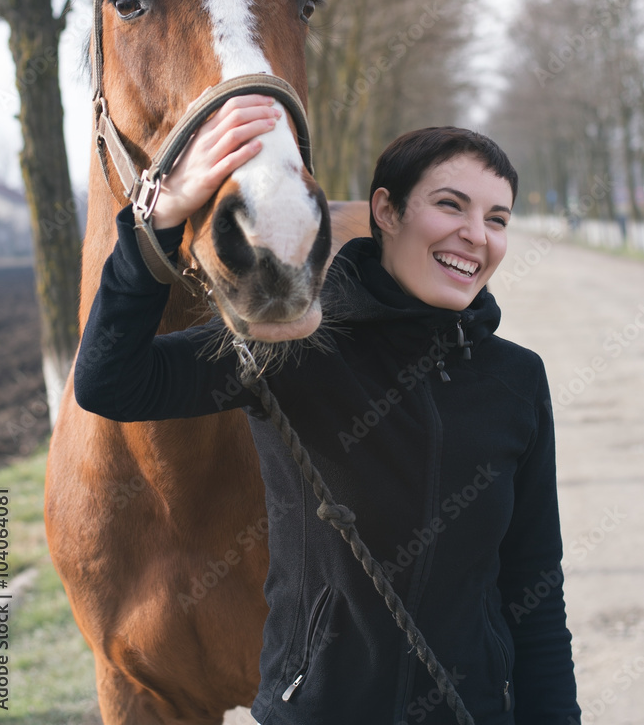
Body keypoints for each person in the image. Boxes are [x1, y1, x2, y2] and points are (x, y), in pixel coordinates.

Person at [75, 96, 581, 725]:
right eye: (450, 205)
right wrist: (156, 221)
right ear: (386, 212)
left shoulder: (516, 379)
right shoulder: (291, 343)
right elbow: (110, 382)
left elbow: (535, 584)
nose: (476, 236)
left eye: (497, 218)